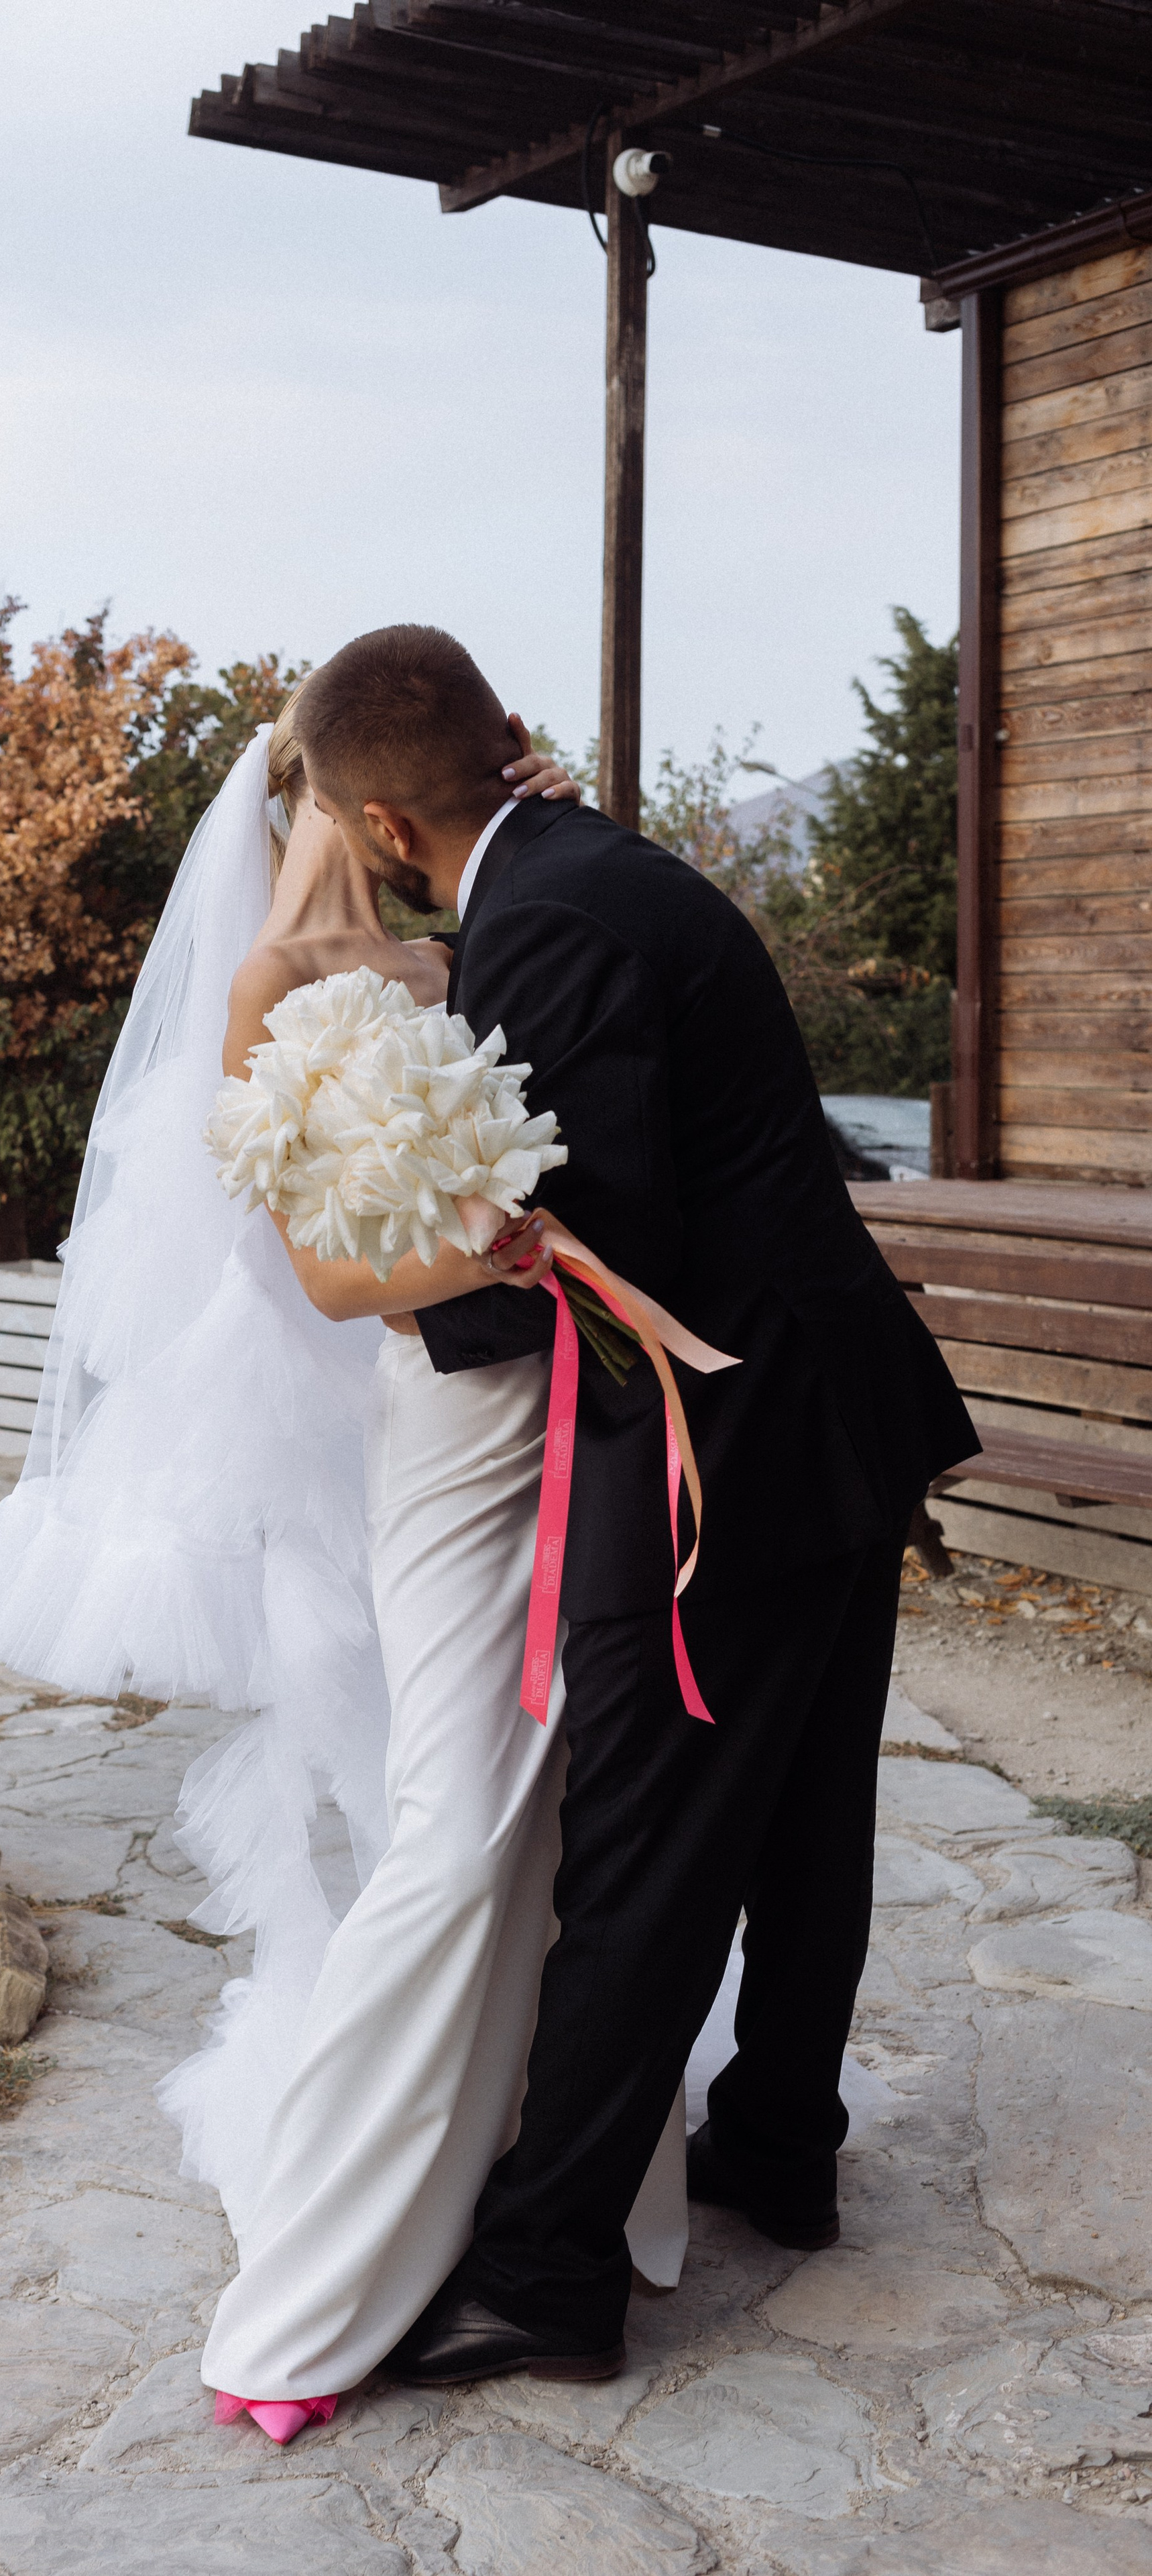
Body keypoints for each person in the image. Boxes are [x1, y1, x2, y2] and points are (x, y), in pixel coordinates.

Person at [0, 700, 693, 2443]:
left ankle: (542, 2167)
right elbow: (327, 1277)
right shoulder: (268, 988)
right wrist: (506, 1242)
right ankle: (319, 2284)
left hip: (554, 1409)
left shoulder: (459, 940)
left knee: (562, 1797)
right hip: (427, 1427)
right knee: (451, 1815)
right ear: (329, 797)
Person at [284, 624, 978, 2389]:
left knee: (645, 1853)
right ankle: (778, 2148)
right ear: (497, 746)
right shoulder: (585, 875)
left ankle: (546, 2275)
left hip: (731, 1444)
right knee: (804, 1813)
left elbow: (593, 1251)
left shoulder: (555, 913)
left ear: (377, 818)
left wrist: (371, 1291)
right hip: (825, 1404)